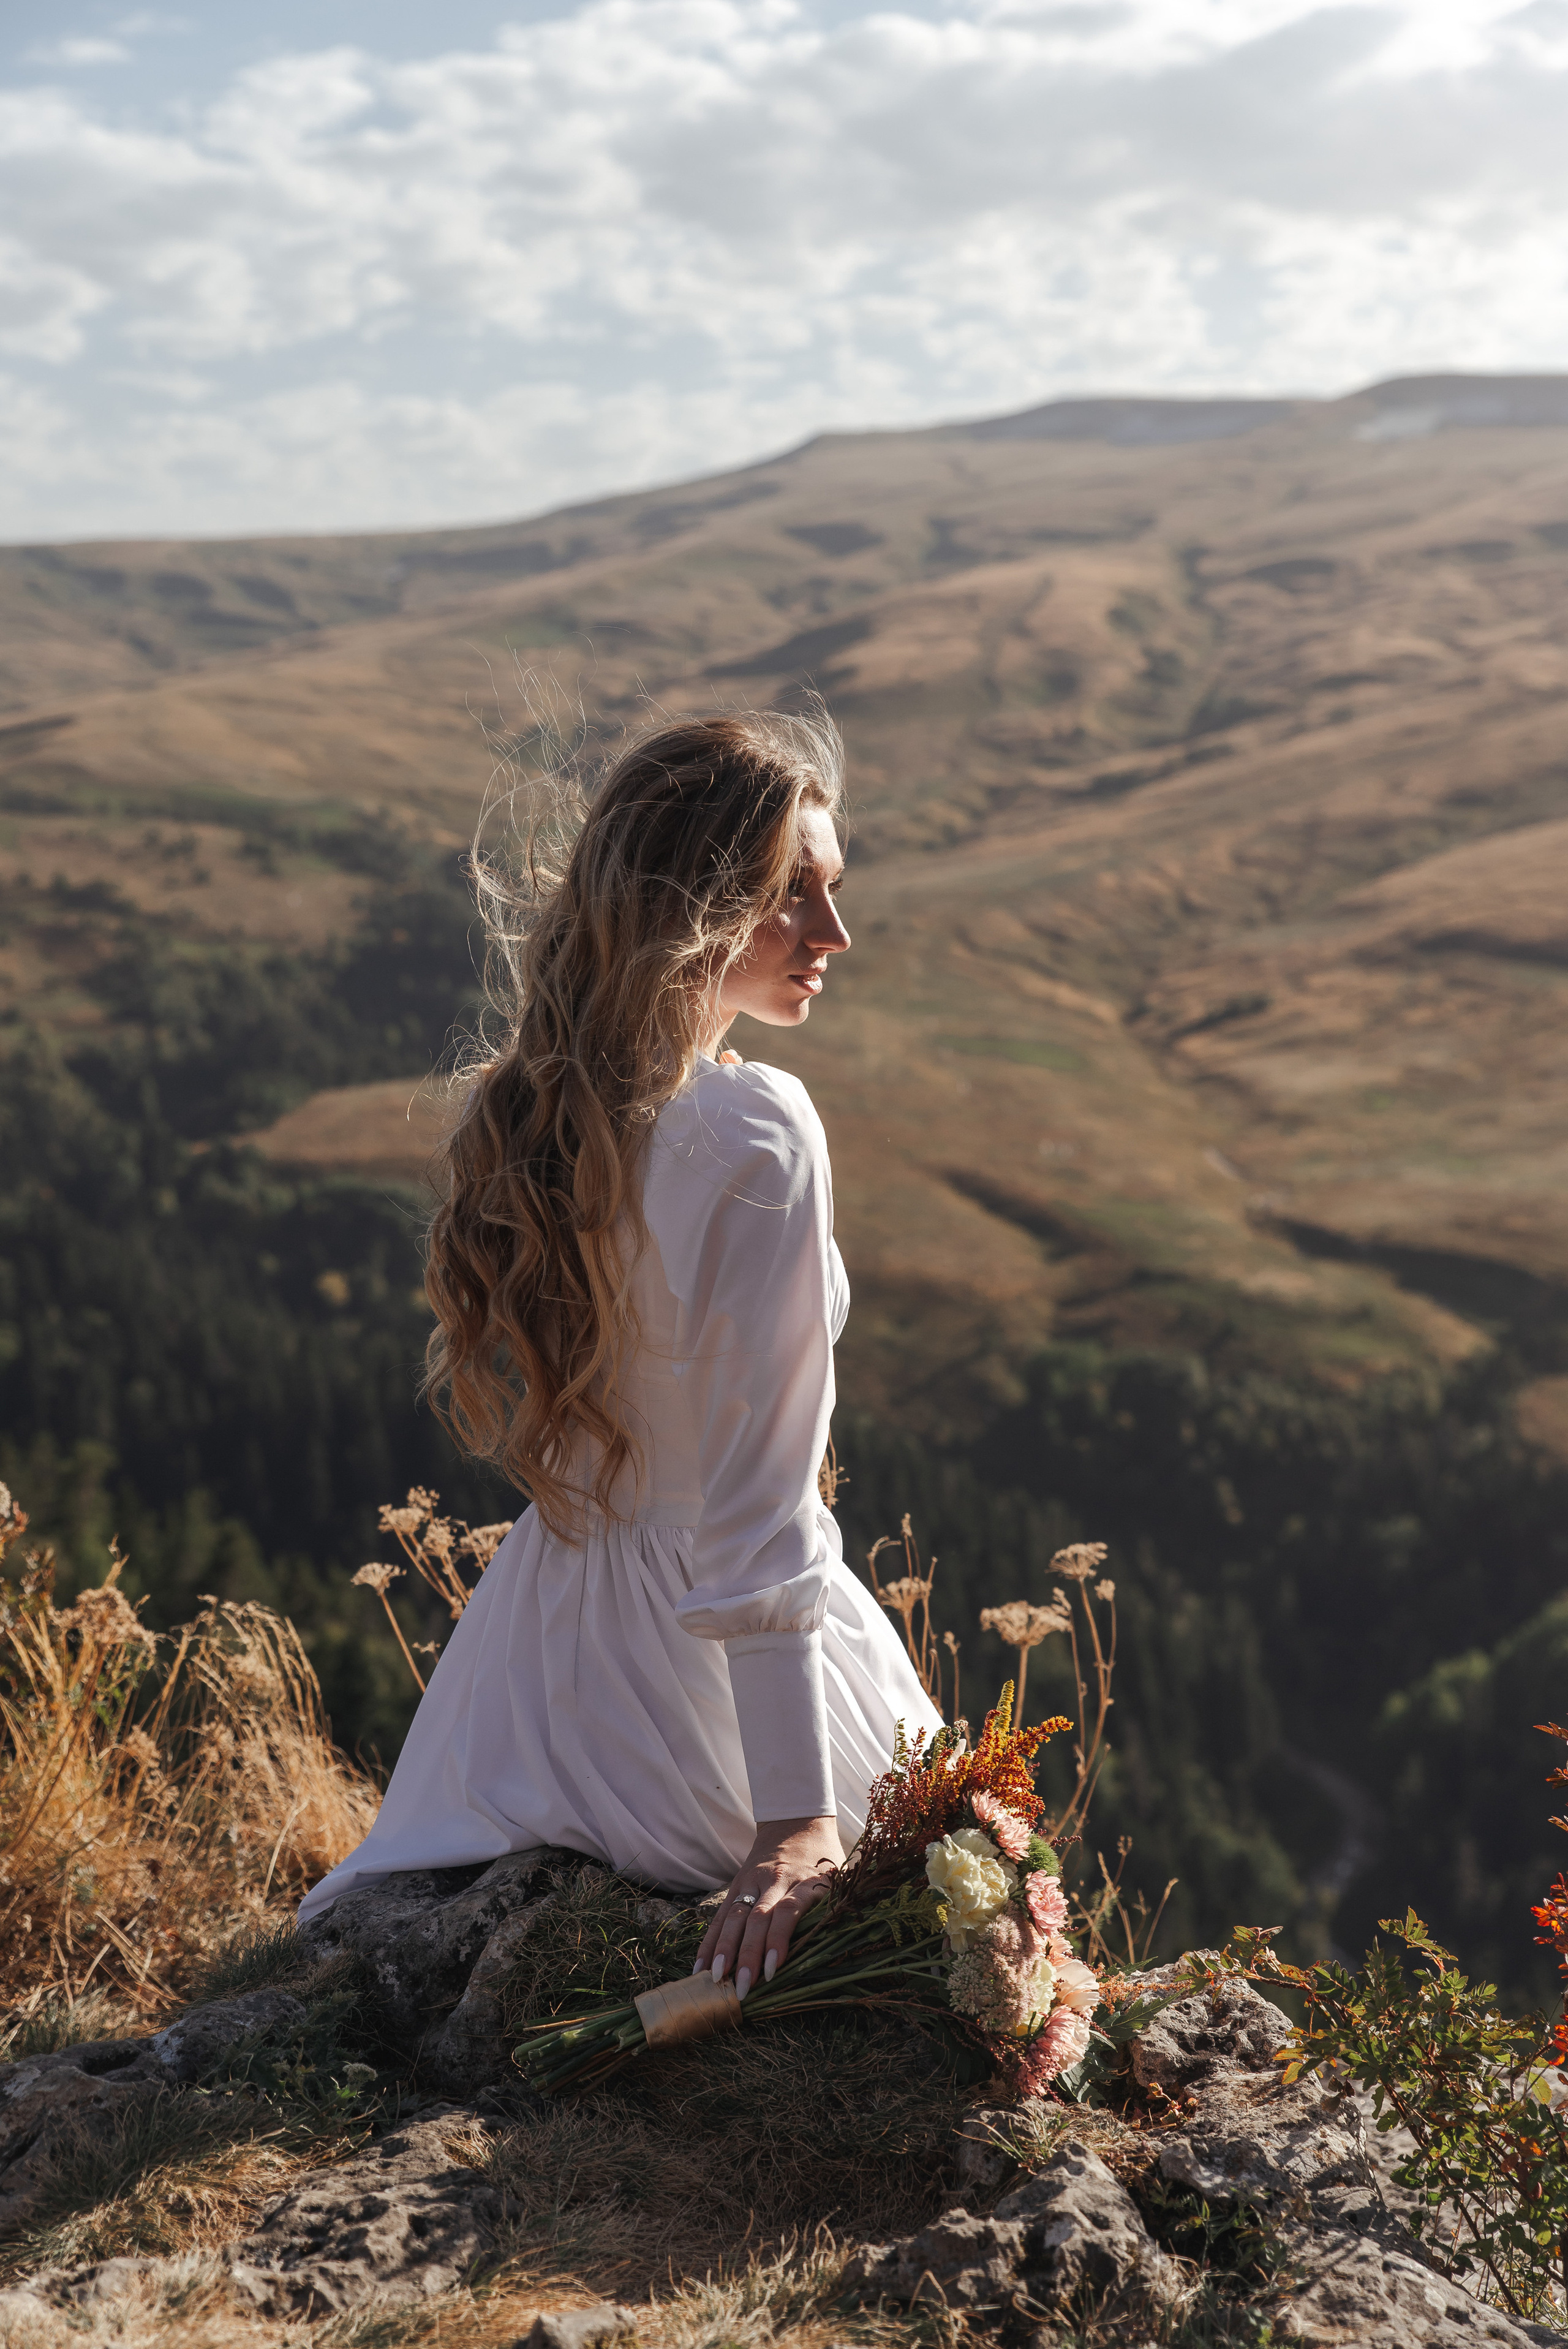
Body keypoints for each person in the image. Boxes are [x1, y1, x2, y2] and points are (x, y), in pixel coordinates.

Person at [297, 708, 942, 2001]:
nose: (831, 935)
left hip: (535, 1674)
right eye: (791, 895)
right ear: (692, 908)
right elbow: (758, 1515)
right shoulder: (756, 1132)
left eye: (833, 892)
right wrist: (791, 1821)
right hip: (696, 1702)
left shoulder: (547, 1111)